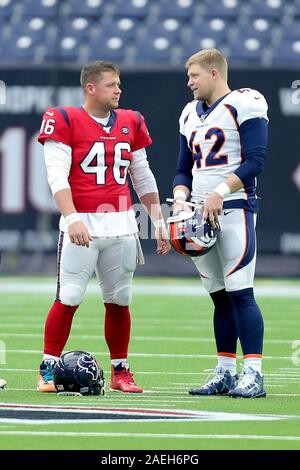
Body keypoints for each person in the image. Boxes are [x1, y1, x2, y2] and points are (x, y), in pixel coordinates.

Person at [37, 60, 170, 394]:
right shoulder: (64, 118)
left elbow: (142, 174)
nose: (118, 90)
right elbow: (56, 175)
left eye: (119, 84)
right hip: (83, 223)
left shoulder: (131, 120)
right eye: (111, 84)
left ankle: (120, 370)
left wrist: (158, 220)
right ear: (90, 88)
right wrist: (72, 218)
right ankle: (48, 368)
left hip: (123, 224)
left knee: (120, 300)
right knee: (68, 296)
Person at [172, 48, 268, 398]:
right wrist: (181, 198)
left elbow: (257, 160)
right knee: (219, 298)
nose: (189, 83)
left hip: (234, 209)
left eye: (194, 75)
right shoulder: (188, 114)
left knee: (240, 291)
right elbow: (184, 168)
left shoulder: (245, 101)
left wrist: (220, 191)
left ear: (214, 73)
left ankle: (253, 373)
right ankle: (225, 371)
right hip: (199, 214)